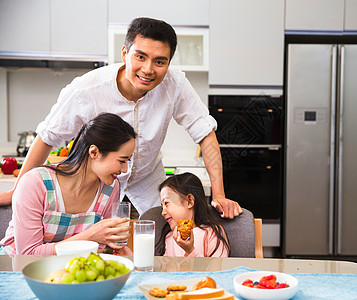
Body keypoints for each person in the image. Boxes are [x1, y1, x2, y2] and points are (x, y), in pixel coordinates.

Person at [0, 17, 241, 220]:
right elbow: (47, 137)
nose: (148, 69)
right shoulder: (86, 90)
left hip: (149, 185)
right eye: (140, 57)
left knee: (156, 248)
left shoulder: (175, 84)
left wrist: (219, 195)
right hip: (93, 186)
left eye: (160, 62)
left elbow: (205, 135)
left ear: (168, 63)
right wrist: (17, 190)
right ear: (125, 53)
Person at [0, 113, 135, 255]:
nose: (125, 170)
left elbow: (101, 246)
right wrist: (89, 236)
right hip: (15, 269)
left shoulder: (110, 188)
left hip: (70, 270)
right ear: (94, 152)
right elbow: (27, 254)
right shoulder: (34, 184)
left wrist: (118, 252)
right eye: (122, 160)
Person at [158, 172, 230, 257]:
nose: (163, 213)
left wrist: (190, 250)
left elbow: (216, 269)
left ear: (189, 201)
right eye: (162, 206)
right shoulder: (169, 238)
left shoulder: (212, 233)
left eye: (166, 203)